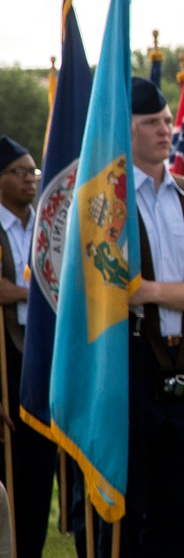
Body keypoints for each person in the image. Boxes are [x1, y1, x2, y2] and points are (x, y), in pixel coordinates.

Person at [86, 78, 184, 557]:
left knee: (176, 507)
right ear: (125, 129)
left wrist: (148, 292)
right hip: (126, 363)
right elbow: (102, 294)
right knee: (124, 506)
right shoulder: (103, 203)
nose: (166, 129)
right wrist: (179, 295)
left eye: (168, 120)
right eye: (151, 122)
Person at [0, 135, 57, 558]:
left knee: (38, 479)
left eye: (34, 171)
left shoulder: (47, 224)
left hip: (40, 363)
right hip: (4, 363)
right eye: (19, 172)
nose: (30, 180)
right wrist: (32, 295)